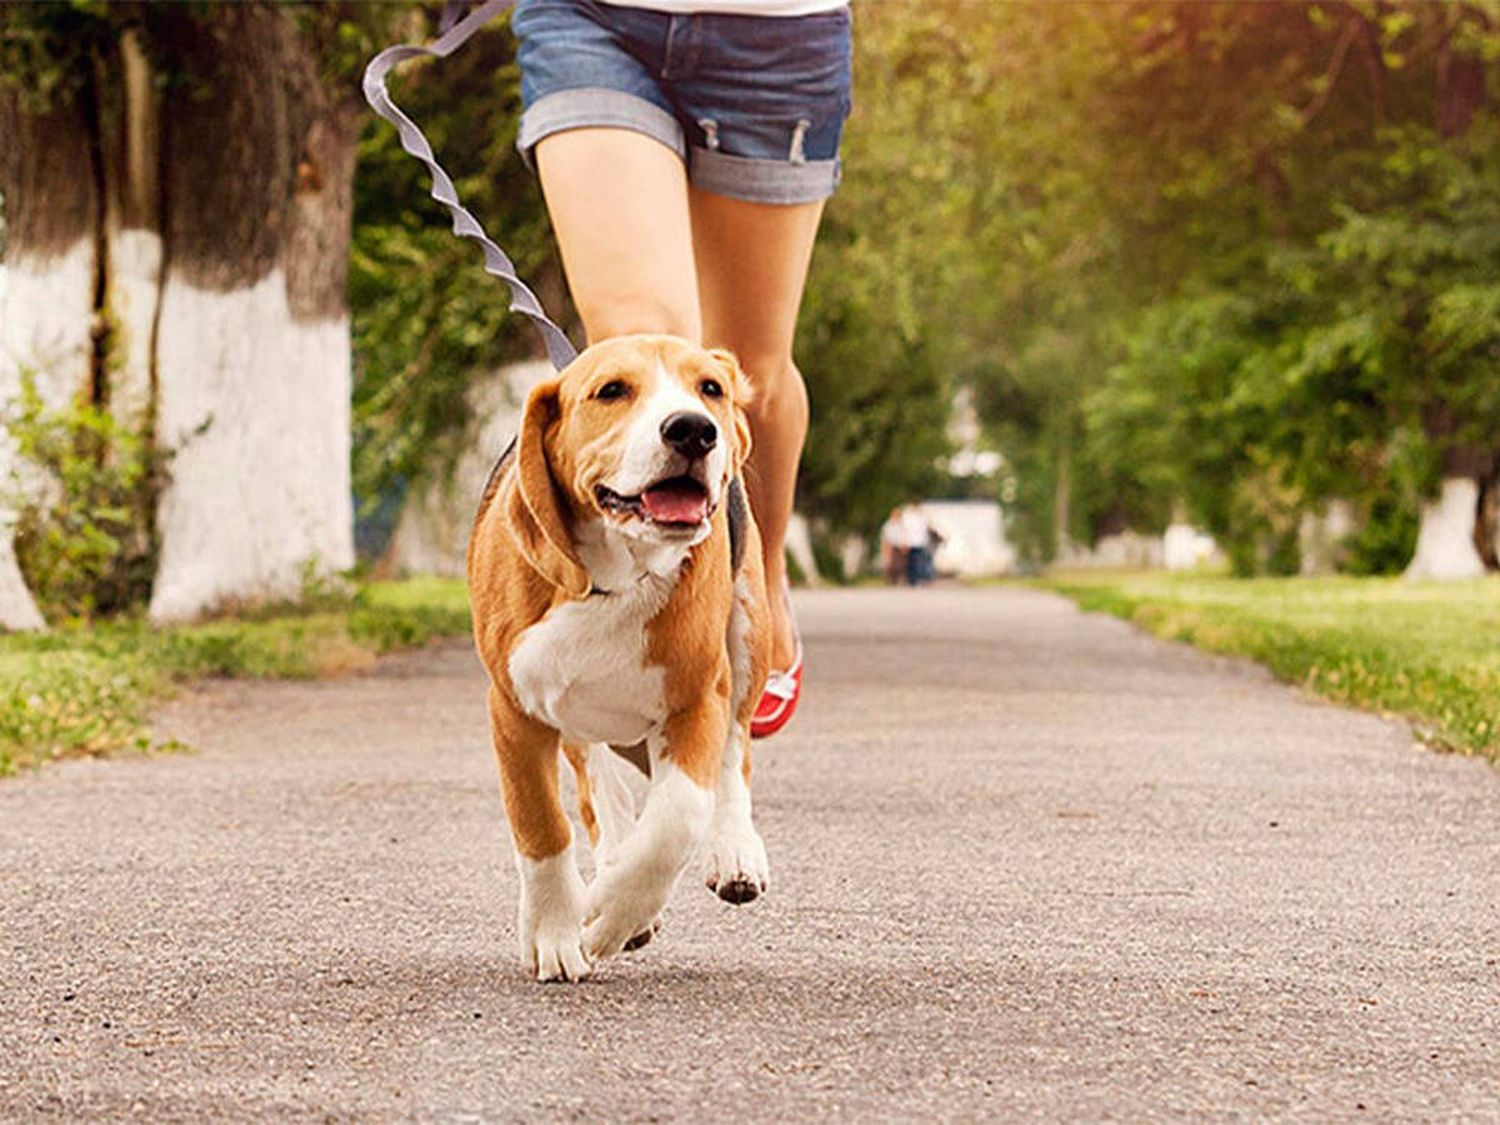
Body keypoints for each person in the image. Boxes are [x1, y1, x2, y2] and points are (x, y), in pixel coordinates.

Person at [511, 0, 853, 737]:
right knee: (648, 349)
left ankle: (761, 573)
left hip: (778, 36)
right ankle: (656, 636)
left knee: (744, 374)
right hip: (589, 19)